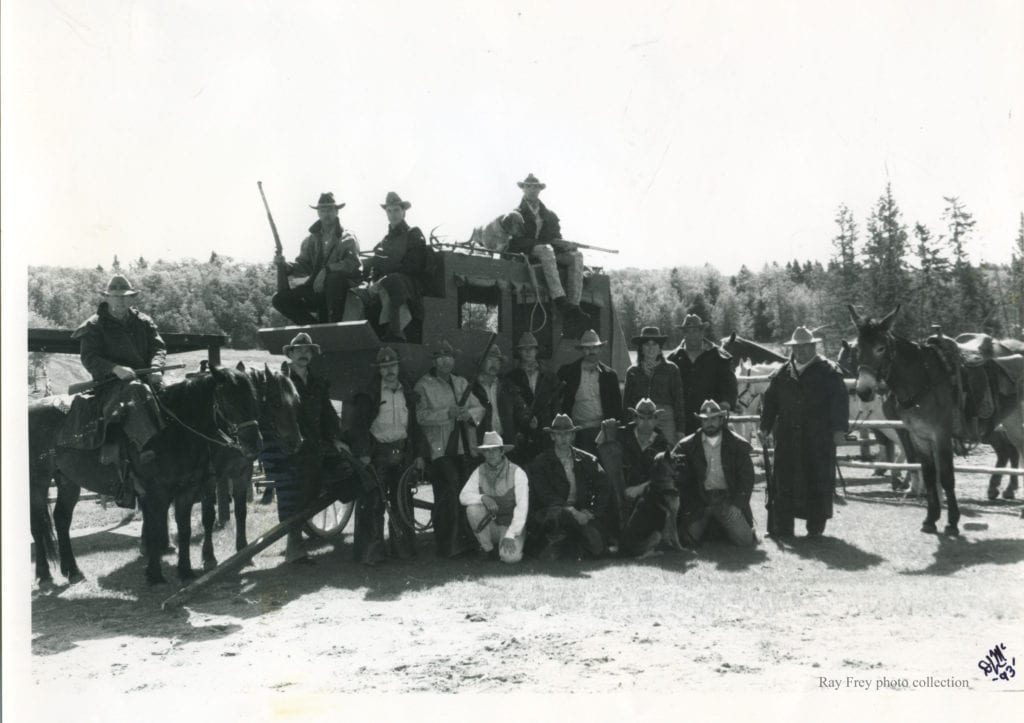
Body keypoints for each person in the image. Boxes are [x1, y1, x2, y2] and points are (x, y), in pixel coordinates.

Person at [72, 274, 167, 508]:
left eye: (125, 298)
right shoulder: (94, 325)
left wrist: (156, 367)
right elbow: (90, 358)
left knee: (175, 392)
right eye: (115, 297)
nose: (120, 302)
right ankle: (149, 450)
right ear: (107, 298)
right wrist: (115, 369)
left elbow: (158, 347)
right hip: (110, 386)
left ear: (132, 298)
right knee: (135, 390)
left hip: (146, 379)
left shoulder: (144, 321)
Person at [758, 326, 850, 538]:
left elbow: (840, 403)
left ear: (813, 346)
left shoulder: (829, 371)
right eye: (798, 347)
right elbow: (770, 403)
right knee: (784, 481)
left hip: (818, 437)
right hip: (788, 436)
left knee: (817, 479)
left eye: (806, 346)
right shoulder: (782, 372)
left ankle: (815, 529)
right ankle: (783, 529)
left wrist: (838, 430)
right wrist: (765, 427)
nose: (802, 351)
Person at [350, 346, 428, 564]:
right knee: (374, 503)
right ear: (380, 370)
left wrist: (420, 454)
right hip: (377, 455)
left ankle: (403, 549)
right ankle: (371, 552)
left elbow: (415, 427)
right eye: (384, 367)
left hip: (402, 452)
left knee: (402, 501)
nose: (389, 371)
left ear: (398, 367)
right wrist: (364, 453)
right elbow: (359, 427)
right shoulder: (370, 394)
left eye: (392, 366)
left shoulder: (408, 392)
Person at [277, 332, 347, 563]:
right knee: (296, 495)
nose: (304, 355)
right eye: (299, 351)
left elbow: (327, 413)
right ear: (290, 354)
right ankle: (294, 546)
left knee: (329, 480)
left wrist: (335, 437)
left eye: (308, 351)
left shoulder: (317, 383)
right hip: (291, 449)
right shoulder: (280, 382)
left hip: (316, 445)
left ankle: (296, 543)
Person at [414, 340, 486, 557]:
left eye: (449, 357)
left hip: (464, 448)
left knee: (466, 493)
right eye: (441, 358)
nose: (446, 362)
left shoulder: (462, 382)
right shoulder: (423, 386)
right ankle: (448, 545)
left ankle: (468, 543)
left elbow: (479, 408)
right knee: (448, 494)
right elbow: (420, 417)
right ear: (434, 361)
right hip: (440, 450)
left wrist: (467, 415)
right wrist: (447, 414)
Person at [526, 414, 613, 560]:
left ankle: (568, 545)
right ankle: (562, 545)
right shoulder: (540, 462)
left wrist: (591, 512)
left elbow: (604, 484)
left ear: (573, 435)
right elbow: (545, 495)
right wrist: (572, 512)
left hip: (580, 514)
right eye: (559, 435)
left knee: (597, 548)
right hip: (552, 514)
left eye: (567, 434)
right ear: (552, 436)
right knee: (556, 514)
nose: (563, 438)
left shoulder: (587, 459)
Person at [272, 192, 362, 325]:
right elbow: (302, 265)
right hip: (316, 290)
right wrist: (286, 266)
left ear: (336, 212)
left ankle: (333, 327)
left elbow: (353, 264)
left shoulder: (347, 237)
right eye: (322, 210)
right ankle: (315, 329)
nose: (326, 214)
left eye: (330, 209)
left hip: (340, 291)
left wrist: (328, 269)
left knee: (334, 278)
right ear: (318, 213)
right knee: (279, 299)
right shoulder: (310, 240)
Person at [676, 400, 756, 547]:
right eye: (705, 419)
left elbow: (747, 478)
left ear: (721, 419)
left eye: (713, 418)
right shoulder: (686, 446)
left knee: (745, 541)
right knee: (687, 540)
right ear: (700, 421)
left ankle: (725, 527)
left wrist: (737, 505)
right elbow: (681, 480)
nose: (709, 423)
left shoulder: (738, 444)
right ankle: (713, 527)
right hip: (700, 502)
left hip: (728, 500)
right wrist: (691, 505)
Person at [596, 398, 673, 552]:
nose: (645, 423)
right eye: (641, 418)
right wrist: (604, 430)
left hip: (647, 493)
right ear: (635, 418)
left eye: (650, 418)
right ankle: (611, 538)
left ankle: (651, 539)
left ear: (656, 419)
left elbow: (664, 477)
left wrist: (640, 488)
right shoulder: (621, 434)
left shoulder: (663, 444)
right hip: (620, 489)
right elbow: (600, 448)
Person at [507, 174, 585, 320]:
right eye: (528, 186)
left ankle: (574, 305)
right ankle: (559, 299)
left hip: (547, 251)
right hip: (525, 251)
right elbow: (515, 241)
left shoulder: (549, 215)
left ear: (540, 190)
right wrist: (542, 244)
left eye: (535, 187)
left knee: (577, 256)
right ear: (523, 189)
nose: (532, 190)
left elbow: (556, 238)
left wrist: (566, 246)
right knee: (547, 250)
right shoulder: (515, 214)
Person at [360, 192, 430, 342]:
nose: (393, 214)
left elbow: (414, 266)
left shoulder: (413, 234)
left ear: (404, 212)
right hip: (387, 285)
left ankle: (395, 331)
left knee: (393, 280)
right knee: (359, 293)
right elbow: (375, 267)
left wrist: (384, 279)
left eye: (396, 210)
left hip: (409, 287)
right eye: (389, 211)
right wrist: (373, 283)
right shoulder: (383, 242)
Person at [459, 431, 529, 563]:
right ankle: (487, 550)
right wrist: (483, 497)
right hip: (491, 527)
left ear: (502, 452)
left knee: (510, 558)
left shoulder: (517, 472)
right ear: (483, 454)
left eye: (494, 450)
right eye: (487, 451)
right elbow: (463, 496)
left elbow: (522, 507)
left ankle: (509, 544)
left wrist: (510, 535)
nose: (490, 454)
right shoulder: (479, 471)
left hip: (511, 526)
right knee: (472, 509)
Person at [667, 314, 738, 436]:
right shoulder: (673, 359)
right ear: (683, 333)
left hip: (712, 420)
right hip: (682, 424)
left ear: (702, 332)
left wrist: (725, 404)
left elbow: (730, 386)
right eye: (688, 331)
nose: (692, 335)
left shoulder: (719, 357)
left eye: (695, 331)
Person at [557, 329, 624, 454]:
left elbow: (617, 408)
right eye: (587, 348)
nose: (591, 351)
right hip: (578, 431)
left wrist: (613, 431)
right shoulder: (568, 372)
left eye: (594, 347)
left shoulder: (610, 375)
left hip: (603, 430)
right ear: (582, 350)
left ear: (599, 349)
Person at [504, 331, 563, 463]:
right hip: (523, 434)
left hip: (546, 433)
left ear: (537, 351)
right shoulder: (511, 377)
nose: (528, 352)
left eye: (531, 349)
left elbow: (556, 407)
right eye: (524, 349)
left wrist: (556, 430)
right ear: (519, 352)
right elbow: (509, 411)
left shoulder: (550, 376)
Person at [622, 326, 687, 443]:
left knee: (667, 455)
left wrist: (680, 430)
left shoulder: (672, 369)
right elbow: (627, 403)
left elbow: (679, 402)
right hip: (641, 420)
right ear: (641, 348)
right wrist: (627, 427)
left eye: (654, 344)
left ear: (660, 348)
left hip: (665, 419)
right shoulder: (632, 371)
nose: (651, 348)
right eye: (647, 344)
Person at [470, 344, 530, 457]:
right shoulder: (471, 388)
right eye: (489, 360)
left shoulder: (508, 385)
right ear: (480, 363)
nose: (494, 364)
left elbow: (521, 408)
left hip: (505, 442)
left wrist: (527, 418)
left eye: (497, 361)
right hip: (483, 445)